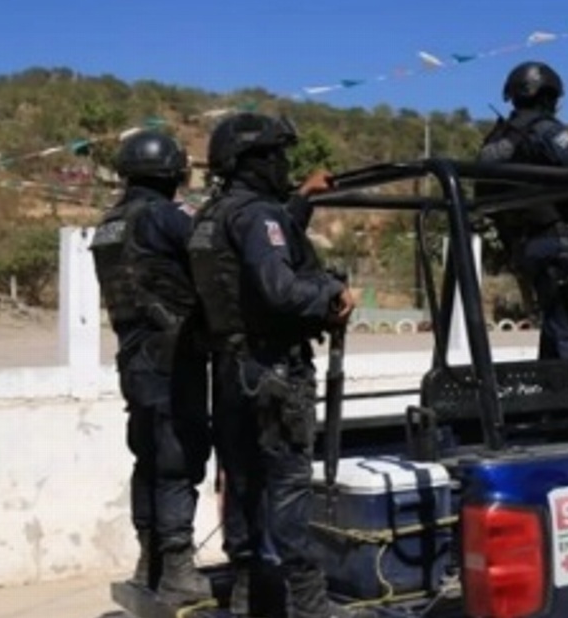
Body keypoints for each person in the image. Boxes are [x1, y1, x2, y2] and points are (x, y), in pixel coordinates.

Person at [187, 112, 368, 618]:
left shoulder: (211, 216)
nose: (283, 164)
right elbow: (278, 287)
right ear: (256, 160)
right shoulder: (258, 215)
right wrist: (331, 292)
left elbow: (250, 257)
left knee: (242, 480)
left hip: (230, 369)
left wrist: (302, 199)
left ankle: (249, 591)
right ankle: (309, 603)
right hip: (273, 369)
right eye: (277, 156)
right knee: (287, 485)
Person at [90, 131, 212, 604]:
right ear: (173, 172)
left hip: (133, 358)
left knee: (149, 459)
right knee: (178, 462)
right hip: (171, 357)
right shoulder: (163, 217)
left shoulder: (111, 223)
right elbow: (210, 252)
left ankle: (151, 561)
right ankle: (178, 569)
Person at [477, 60, 568, 366]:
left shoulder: (493, 144)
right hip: (559, 244)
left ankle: (557, 403)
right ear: (548, 96)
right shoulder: (545, 131)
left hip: (524, 249)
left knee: (556, 327)